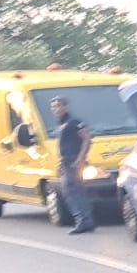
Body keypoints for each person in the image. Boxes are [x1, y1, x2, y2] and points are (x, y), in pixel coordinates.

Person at [50, 97, 96, 234]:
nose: (55, 109)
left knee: (75, 193)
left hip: (73, 162)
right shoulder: (60, 124)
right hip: (65, 162)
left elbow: (87, 139)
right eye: (53, 106)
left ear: (66, 107)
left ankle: (84, 222)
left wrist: (80, 159)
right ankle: (84, 221)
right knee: (70, 193)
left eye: (58, 105)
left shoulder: (74, 122)